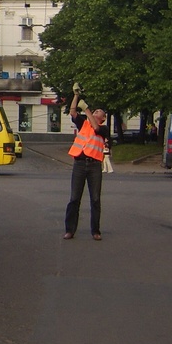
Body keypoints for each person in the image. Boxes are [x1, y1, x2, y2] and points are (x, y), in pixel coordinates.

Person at [63, 85, 110, 241]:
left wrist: (88, 109)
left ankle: (95, 231)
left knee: (95, 199)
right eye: (94, 111)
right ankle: (70, 230)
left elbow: (96, 127)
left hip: (94, 165)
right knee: (74, 198)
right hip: (80, 163)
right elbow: (73, 112)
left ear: (103, 118)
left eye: (98, 112)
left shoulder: (104, 128)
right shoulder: (83, 124)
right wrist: (75, 95)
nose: (95, 112)